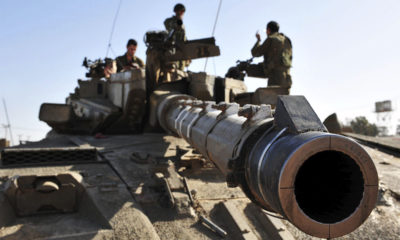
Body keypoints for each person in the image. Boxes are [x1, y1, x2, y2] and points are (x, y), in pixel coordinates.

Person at [251, 21, 292, 90]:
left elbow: (255, 53)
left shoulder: (271, 39)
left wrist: (258, 40)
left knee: (273, 99)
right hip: (286, 78)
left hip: (275, 77)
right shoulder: (287, 40)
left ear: (268, 30)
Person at [164, 3, 189, 71]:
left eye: (181, 12)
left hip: (182, 53)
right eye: (179, 11)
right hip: (172, 51)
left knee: (180, 73)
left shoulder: (182, 25)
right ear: (175, 12)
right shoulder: (169, 21)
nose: (180, 13)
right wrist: (176, 23)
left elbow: (183, 38)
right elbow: (168, 26)